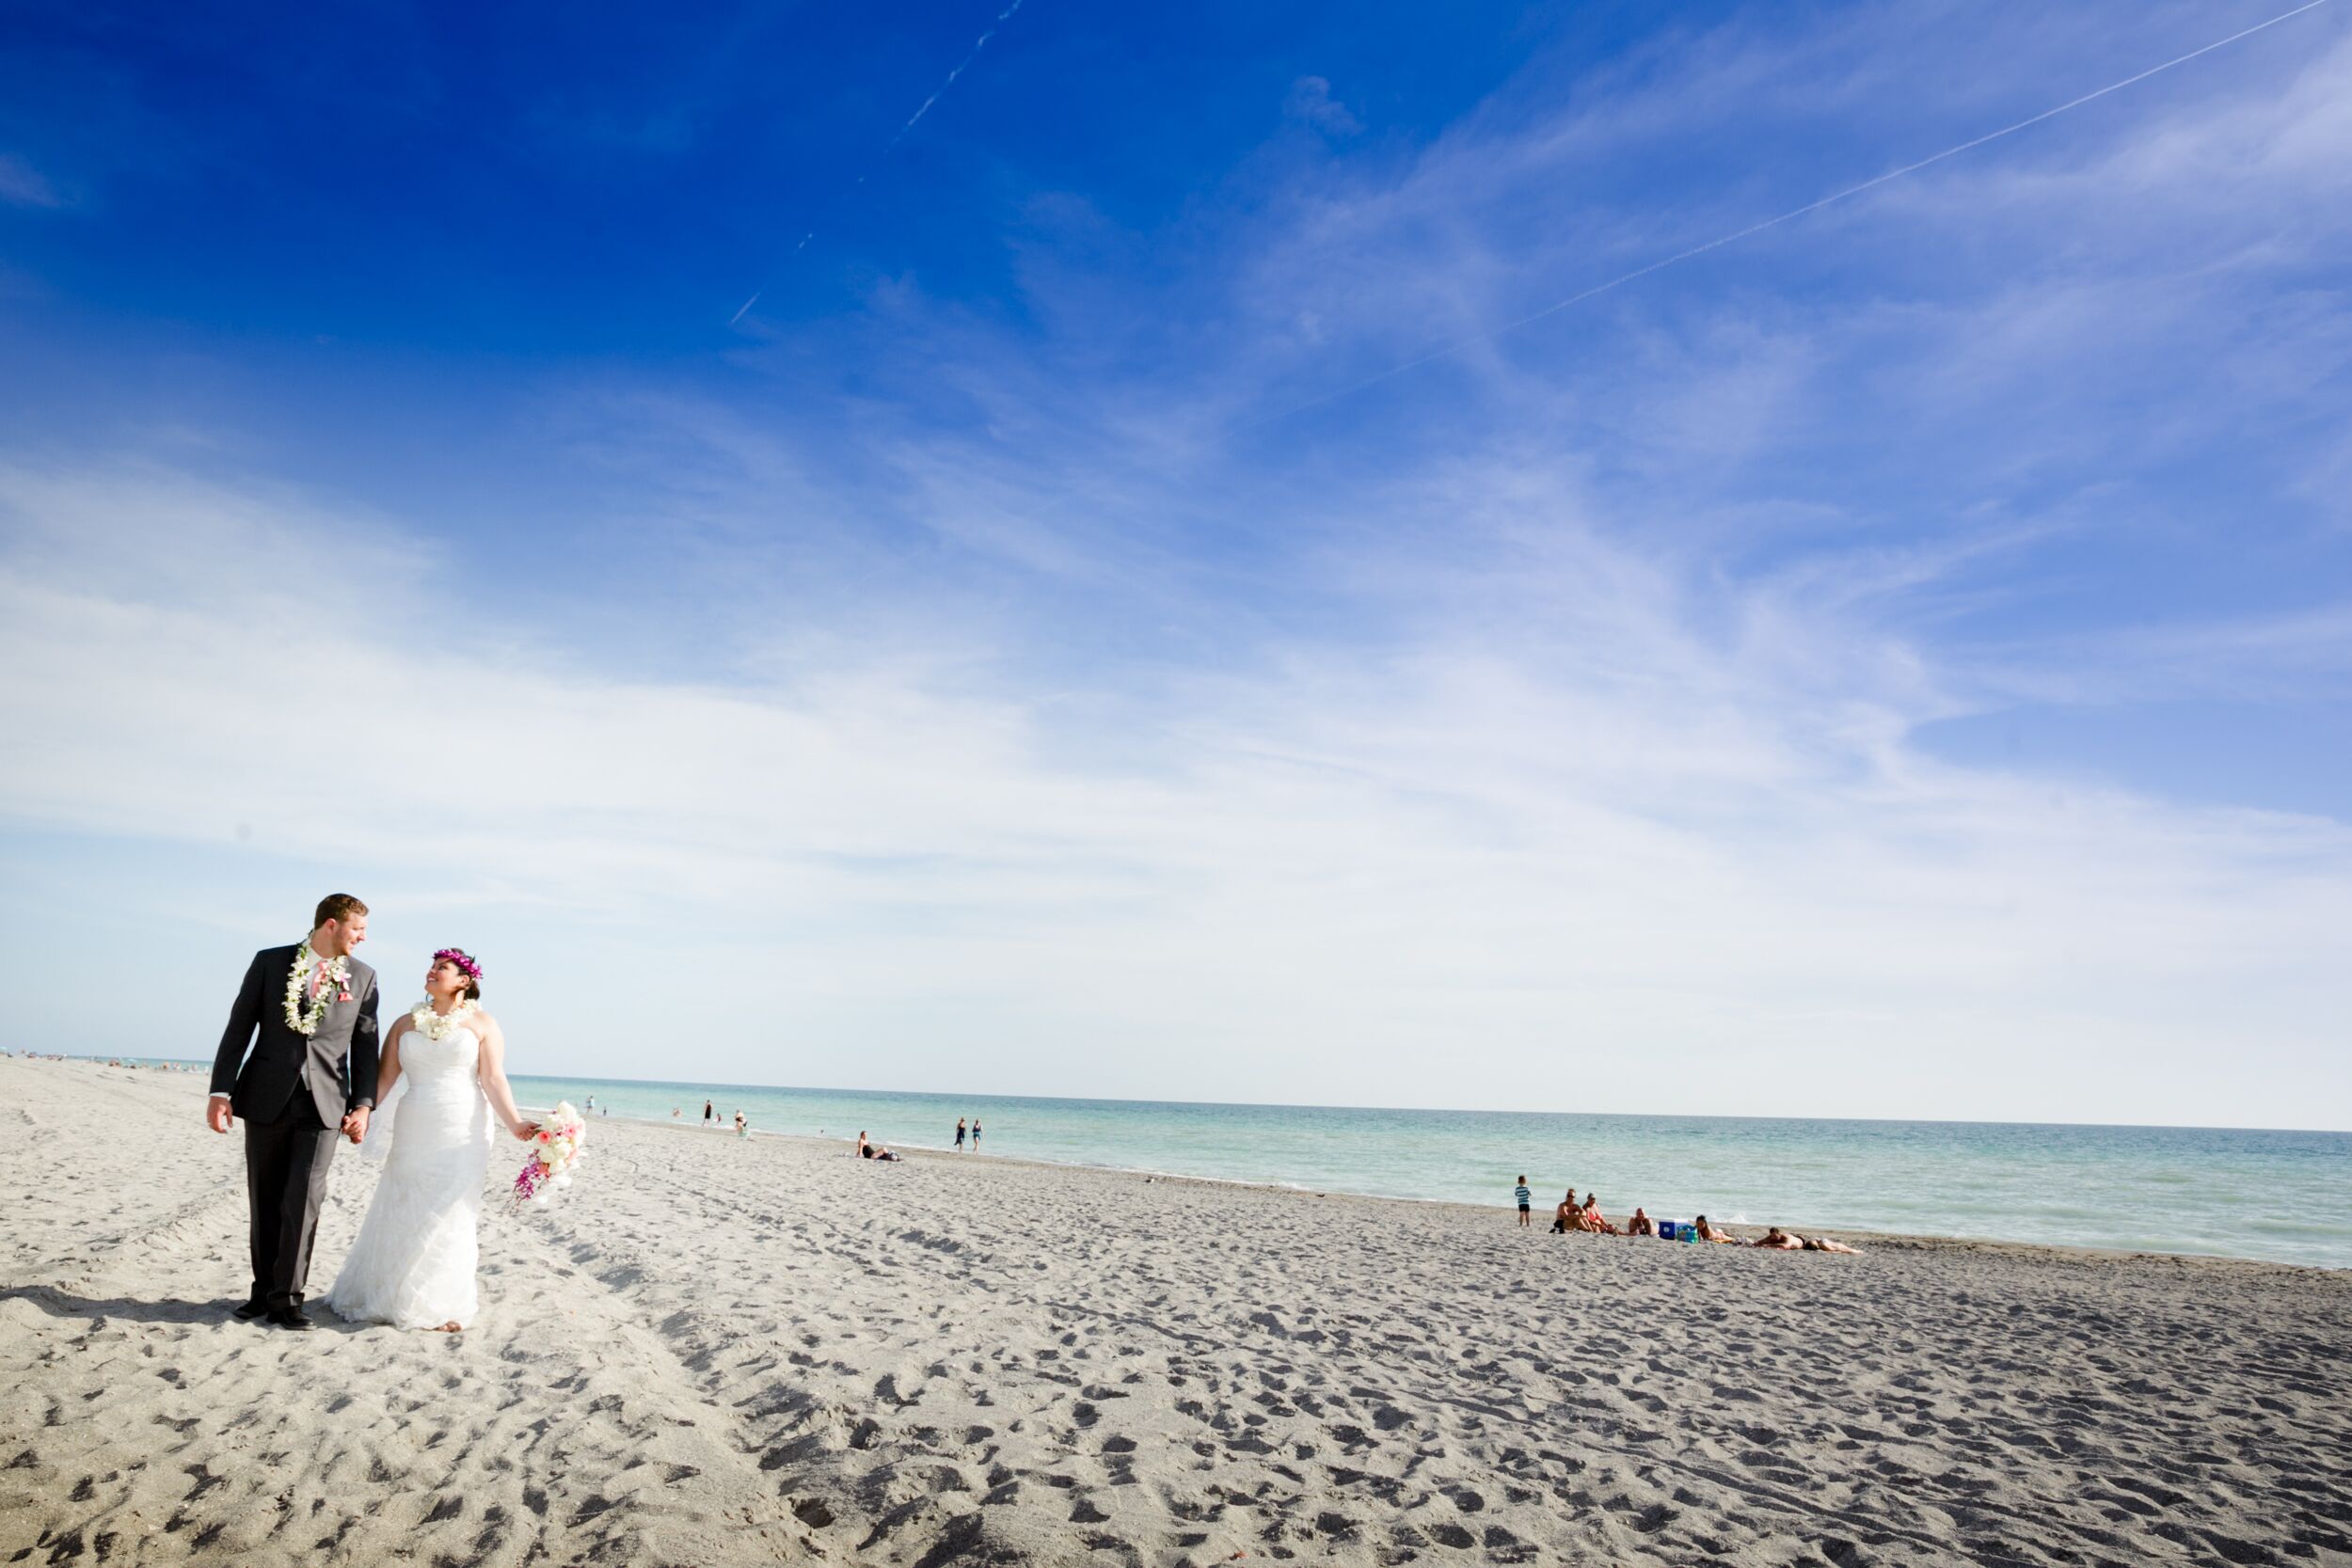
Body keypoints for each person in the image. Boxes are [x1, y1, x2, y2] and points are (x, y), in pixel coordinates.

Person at [326, 948, 537, 1332]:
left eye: (443, 968)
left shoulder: (483, 1024)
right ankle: (391, 1293)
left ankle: (441, 1303)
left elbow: (492, 1079)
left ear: (464, 981)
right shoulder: (405, 1024)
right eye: (432, 966)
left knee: (451, 1210)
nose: (432, 971)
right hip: (415, 1122)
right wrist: (362, 1112)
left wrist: (516, 1122)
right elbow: (385, 1079)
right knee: (404, 1201)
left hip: (463, 1125)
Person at [207, 895, 382, 1331]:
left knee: (303, 1200)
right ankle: (262, 1291)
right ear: (330, 925)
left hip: (325, 1103)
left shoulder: (363, 977)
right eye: (357, 928)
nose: (363, 937)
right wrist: (219, 1091)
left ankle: (288, 1298)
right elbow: (238, 1027)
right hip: (266, 1095)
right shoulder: (270, 962)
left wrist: (363, 1105)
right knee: (264, 1197)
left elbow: (366, 1048)